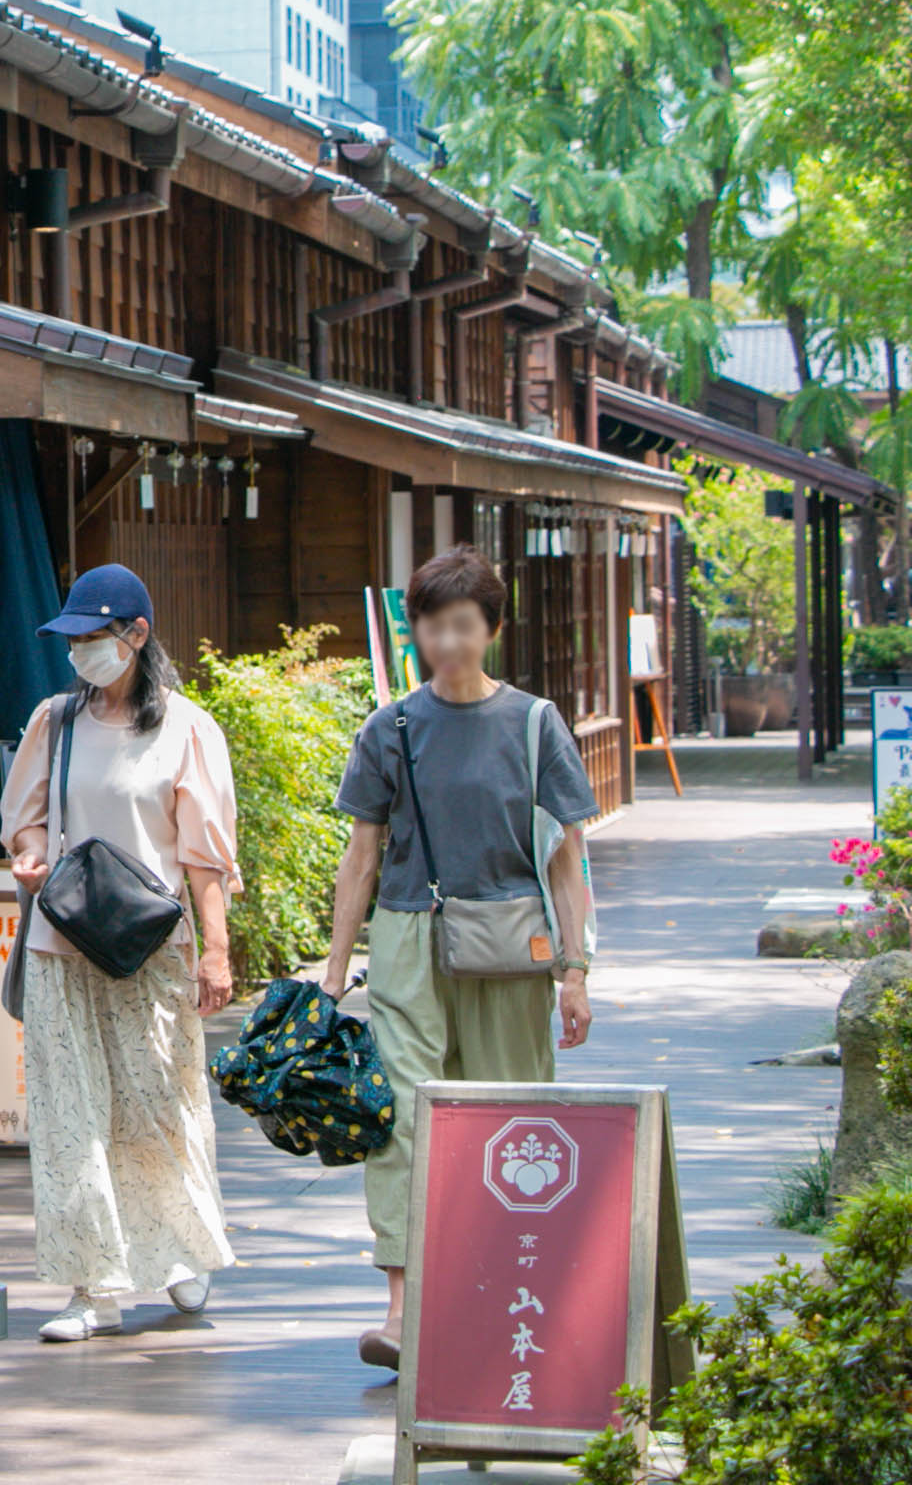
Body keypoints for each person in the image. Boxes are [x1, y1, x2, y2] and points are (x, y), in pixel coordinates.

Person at [326, 545, 595, 1368]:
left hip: (514, 941)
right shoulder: (392, 726)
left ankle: (507, 1293)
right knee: (399, 1118)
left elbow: (566, 857)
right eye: (433, 627)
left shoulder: (534, 722)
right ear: (416, 632)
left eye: (463, 626)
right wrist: (333, 975)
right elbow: (361, 856)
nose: (447, 643)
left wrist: (575, 971)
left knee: (512, 1118)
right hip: (409, 938)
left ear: (492, 629)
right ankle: (403, 1312)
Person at [0, 564, 242, 1341]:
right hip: (60, 943)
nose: (81, 654)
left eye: (94, 638)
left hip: (151, 947)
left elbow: (205, 858)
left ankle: (179, 1252)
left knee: (160, 1107)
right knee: (71, 1118)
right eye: (73, 640)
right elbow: (24, 818)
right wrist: (29, 856)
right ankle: (90, 1288)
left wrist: (215, 952)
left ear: (135, 635)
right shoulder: (55, 721)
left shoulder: (187, 728)